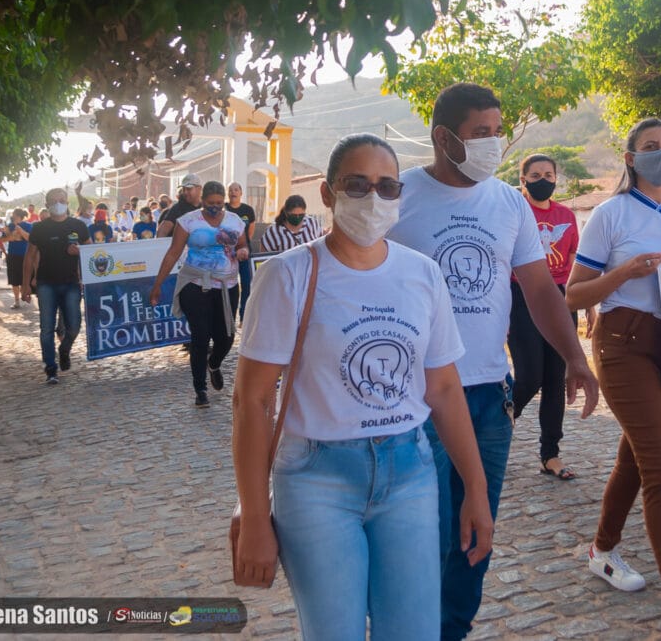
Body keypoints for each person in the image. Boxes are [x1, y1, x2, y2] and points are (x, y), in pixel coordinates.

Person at [233, 133, 494, 639]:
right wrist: (256, 516)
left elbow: (442, 388)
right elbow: (252, 400)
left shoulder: (423, 275)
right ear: (328, 195)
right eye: (357, 185)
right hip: (316, 480)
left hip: (410, 475)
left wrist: (476, 489)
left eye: (387, 187)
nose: (373, 199)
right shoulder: (288, 276)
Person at [386, 82, 599, 640]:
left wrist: (575, 358)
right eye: (481, 133)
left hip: (488, 396)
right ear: (443, 137)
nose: (494, 144)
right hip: (416, 398)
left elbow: (539, 289)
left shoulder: (507, 203)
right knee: (419, 536)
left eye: (498, 132)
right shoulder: (397, 196)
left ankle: (450, 631)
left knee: (475, 532)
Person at [566, 118, 661, 641]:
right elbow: (574, 295)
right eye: (650, 148)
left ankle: (603, 549)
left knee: (635, 458)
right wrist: (623, 274)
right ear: (630, 158)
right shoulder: (609, 215)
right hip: (623, 344)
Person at [507, 153, 592, 480]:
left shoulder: (567, 216)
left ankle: (550, 455)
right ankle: (493, 429)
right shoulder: (516, 212)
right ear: (523, 180)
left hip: (561, 296)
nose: (543, 179)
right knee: (529, 376)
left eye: (548, 174)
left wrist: (587, 305)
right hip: (521, 295)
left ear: (556, 179)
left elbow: (573, 262)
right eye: (535, 174)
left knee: (557, 377)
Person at [149, 180, 249, 408]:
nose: (214, 207)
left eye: (218, 203)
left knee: (226, 338)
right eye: (209, 203)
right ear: (202, 201)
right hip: (195, 284)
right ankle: (200, 389)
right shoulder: (188, 222)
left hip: (227, 286)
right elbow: (173, 253)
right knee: (200, 337)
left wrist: (242, 251)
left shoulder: (234, 221)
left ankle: (213, 364)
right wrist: (157, 285)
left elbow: (244, 245)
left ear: (223, 201)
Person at [22, 188, 91, 384]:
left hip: (71, 283)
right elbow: (29, 256)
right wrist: (26, 284)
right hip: (46, 284)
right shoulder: (39, 228)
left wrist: (80, 252)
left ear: (67, 202)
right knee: (46, 328)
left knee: (75, 326)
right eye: (54, 201)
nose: (58, 203)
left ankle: (64, 349)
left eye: (61, 200)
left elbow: (94, 251)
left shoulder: (78, 225)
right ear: (47, 204)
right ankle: (50, 368)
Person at [225, 182, 256, 320]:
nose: (233, 192)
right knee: (227, 285)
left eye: (236, 189)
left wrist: (242, 247)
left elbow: (250, 232)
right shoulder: (224, 209)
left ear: (241, 193)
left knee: (246, 284)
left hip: (244, 253)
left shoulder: (248, 210)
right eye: (230, 190)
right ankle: (228, 315)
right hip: (226, 255)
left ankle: (244, 316)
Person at [258, 195, 324, 252]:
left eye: (301, 215)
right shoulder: (274, 230)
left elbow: (321, 243)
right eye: (294, 215)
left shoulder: (312, 223)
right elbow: (264, 255)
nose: (297, 218)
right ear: (286, 213)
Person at [4, 208, 33, 308]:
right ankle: (16, 301)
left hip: (25, 255)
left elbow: (30, 238)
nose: (12, 216)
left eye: (14, 214)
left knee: (25, 278)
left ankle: (25, 295)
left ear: (18, 215)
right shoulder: (9, 226)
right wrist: (11, 236)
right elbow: (2, 239)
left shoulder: (29, 225)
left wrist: (20, 231)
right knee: (14, 279)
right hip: (12, 255)